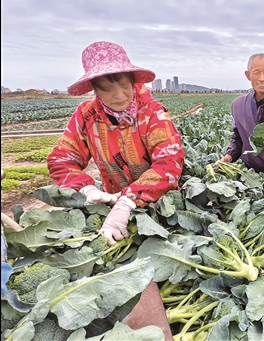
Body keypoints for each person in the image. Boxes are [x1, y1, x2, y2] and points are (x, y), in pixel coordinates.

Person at [47, 41, 185, 247]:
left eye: (124, 85)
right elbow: (61, 160)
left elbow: (168, 164)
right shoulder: (86, 116)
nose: (119, 95)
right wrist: (86, 189)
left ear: (133, 82)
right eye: (107, 88)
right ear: (95, 90)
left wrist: (129, 201)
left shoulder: (153, 114)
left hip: (161, 205)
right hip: (109, 202)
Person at [220, 53, 264, 173]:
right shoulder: (238, 105)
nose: (262, 78)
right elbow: (237, 138)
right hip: (250, 176)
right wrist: (229, 155)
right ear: (248, 75)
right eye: (256, 72)